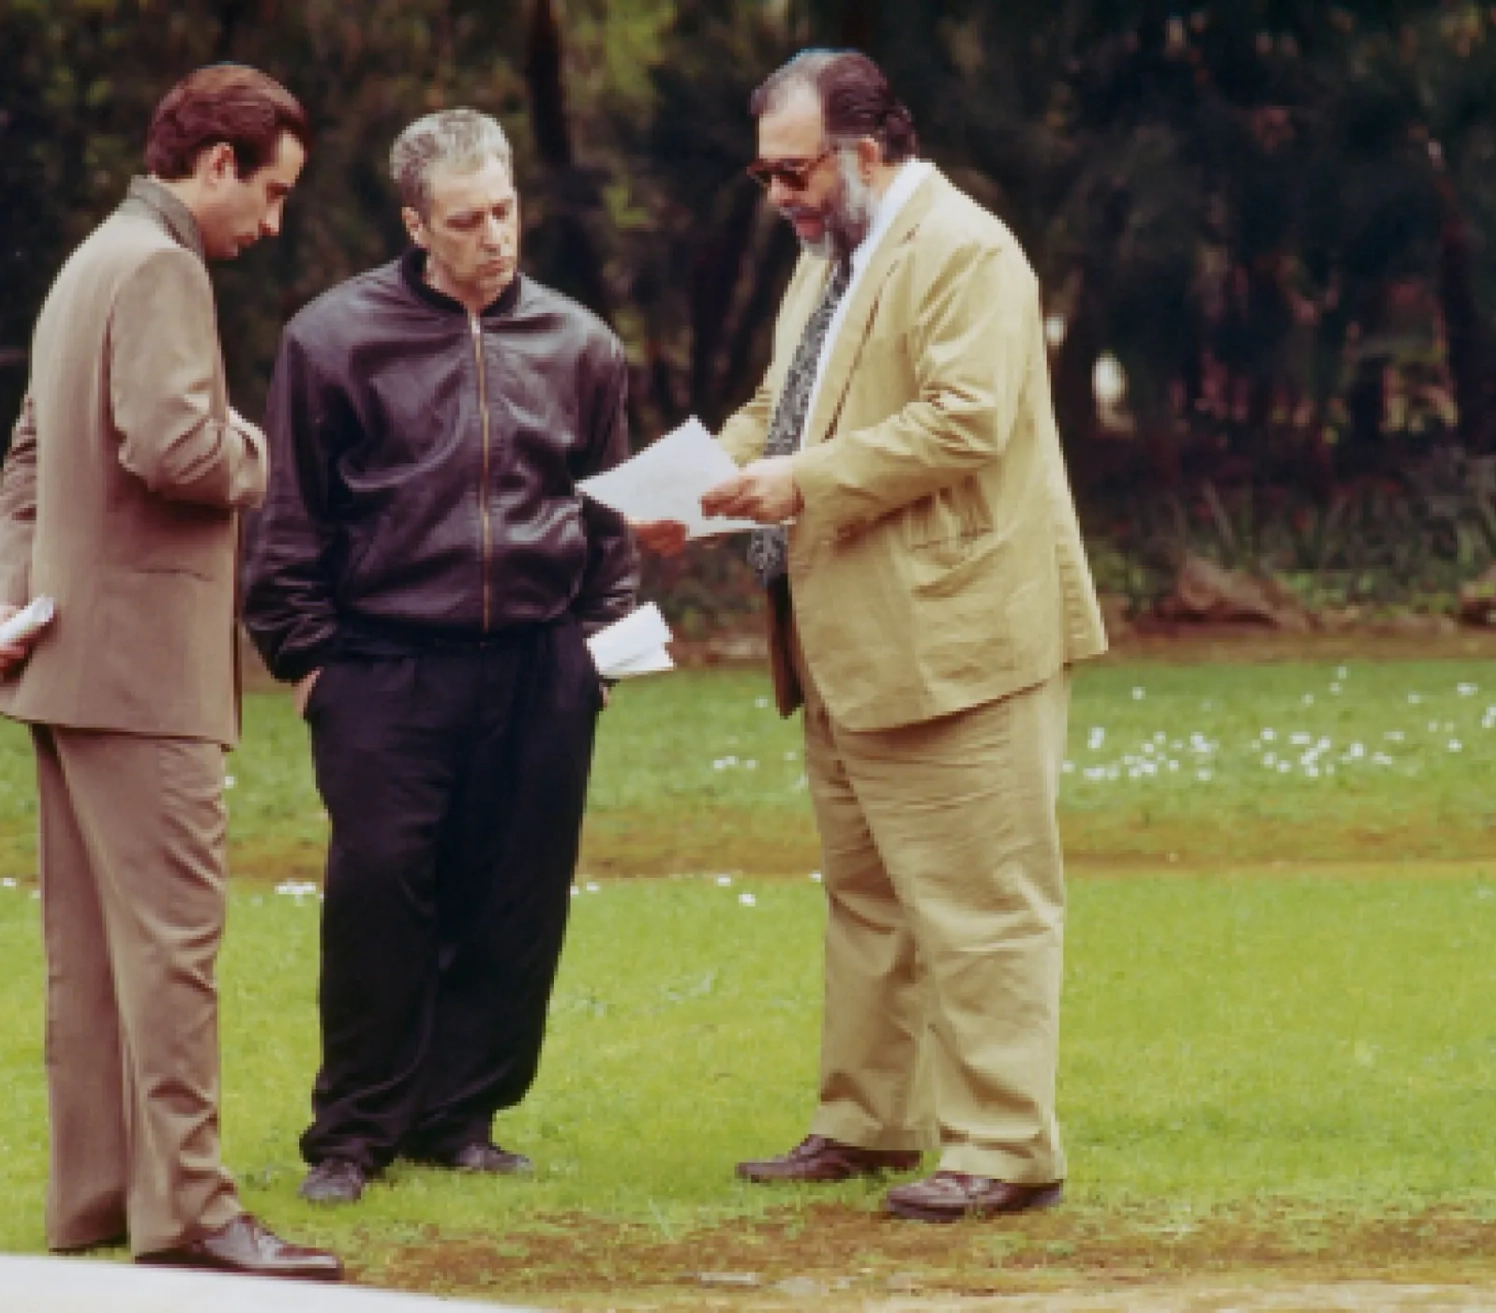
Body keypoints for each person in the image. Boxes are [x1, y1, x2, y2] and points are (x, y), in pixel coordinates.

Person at [634, 50, 1107, 1222]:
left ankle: (1005, 1146)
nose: (778, 195)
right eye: (764, 173)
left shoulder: (966, 249)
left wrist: (798, 484)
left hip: (959, 638)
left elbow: (964, 420)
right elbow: (774, 401)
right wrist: (698, 483)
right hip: (843, 636)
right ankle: (864, 1121)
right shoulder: (828, 259)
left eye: (792, 171)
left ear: (866, 149)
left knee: (982, 897)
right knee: (867, 894)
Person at [0, 66, 338, 1279]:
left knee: (94, 954)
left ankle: (97, 1199)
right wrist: (258, 441)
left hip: (67, 660)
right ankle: (190, 1213)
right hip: (142, 673)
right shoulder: (162, 263)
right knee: (174, 944)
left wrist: (5, 608)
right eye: (271, 193)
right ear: (217, 163)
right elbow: (176, 443)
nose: (272, 224)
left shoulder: (89, 261)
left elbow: (23, 468)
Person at [242, 108, 637, 1206]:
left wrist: (596, 661)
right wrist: (308, 659)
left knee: (514, 897)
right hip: (380, 662)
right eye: (466, 220)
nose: (495, 236)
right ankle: (354, 1131)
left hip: (539, 665)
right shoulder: (332, 340)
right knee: (380, 893)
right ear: (417, 223)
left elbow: (609, 517)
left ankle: (461, 1116)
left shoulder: (582, 343)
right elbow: (289, 521)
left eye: (505, 210)